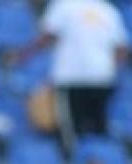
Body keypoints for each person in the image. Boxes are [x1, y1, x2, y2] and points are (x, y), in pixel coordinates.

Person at [13, 0, 128, 145]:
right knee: (98, 128)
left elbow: (47, 35)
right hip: (102, 79)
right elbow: (121, 48)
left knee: (71, 129)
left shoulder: (64, 5)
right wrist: (111, 70)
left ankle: (76, 162)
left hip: (72, 79)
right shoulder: (107, 10)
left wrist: (23, 55)